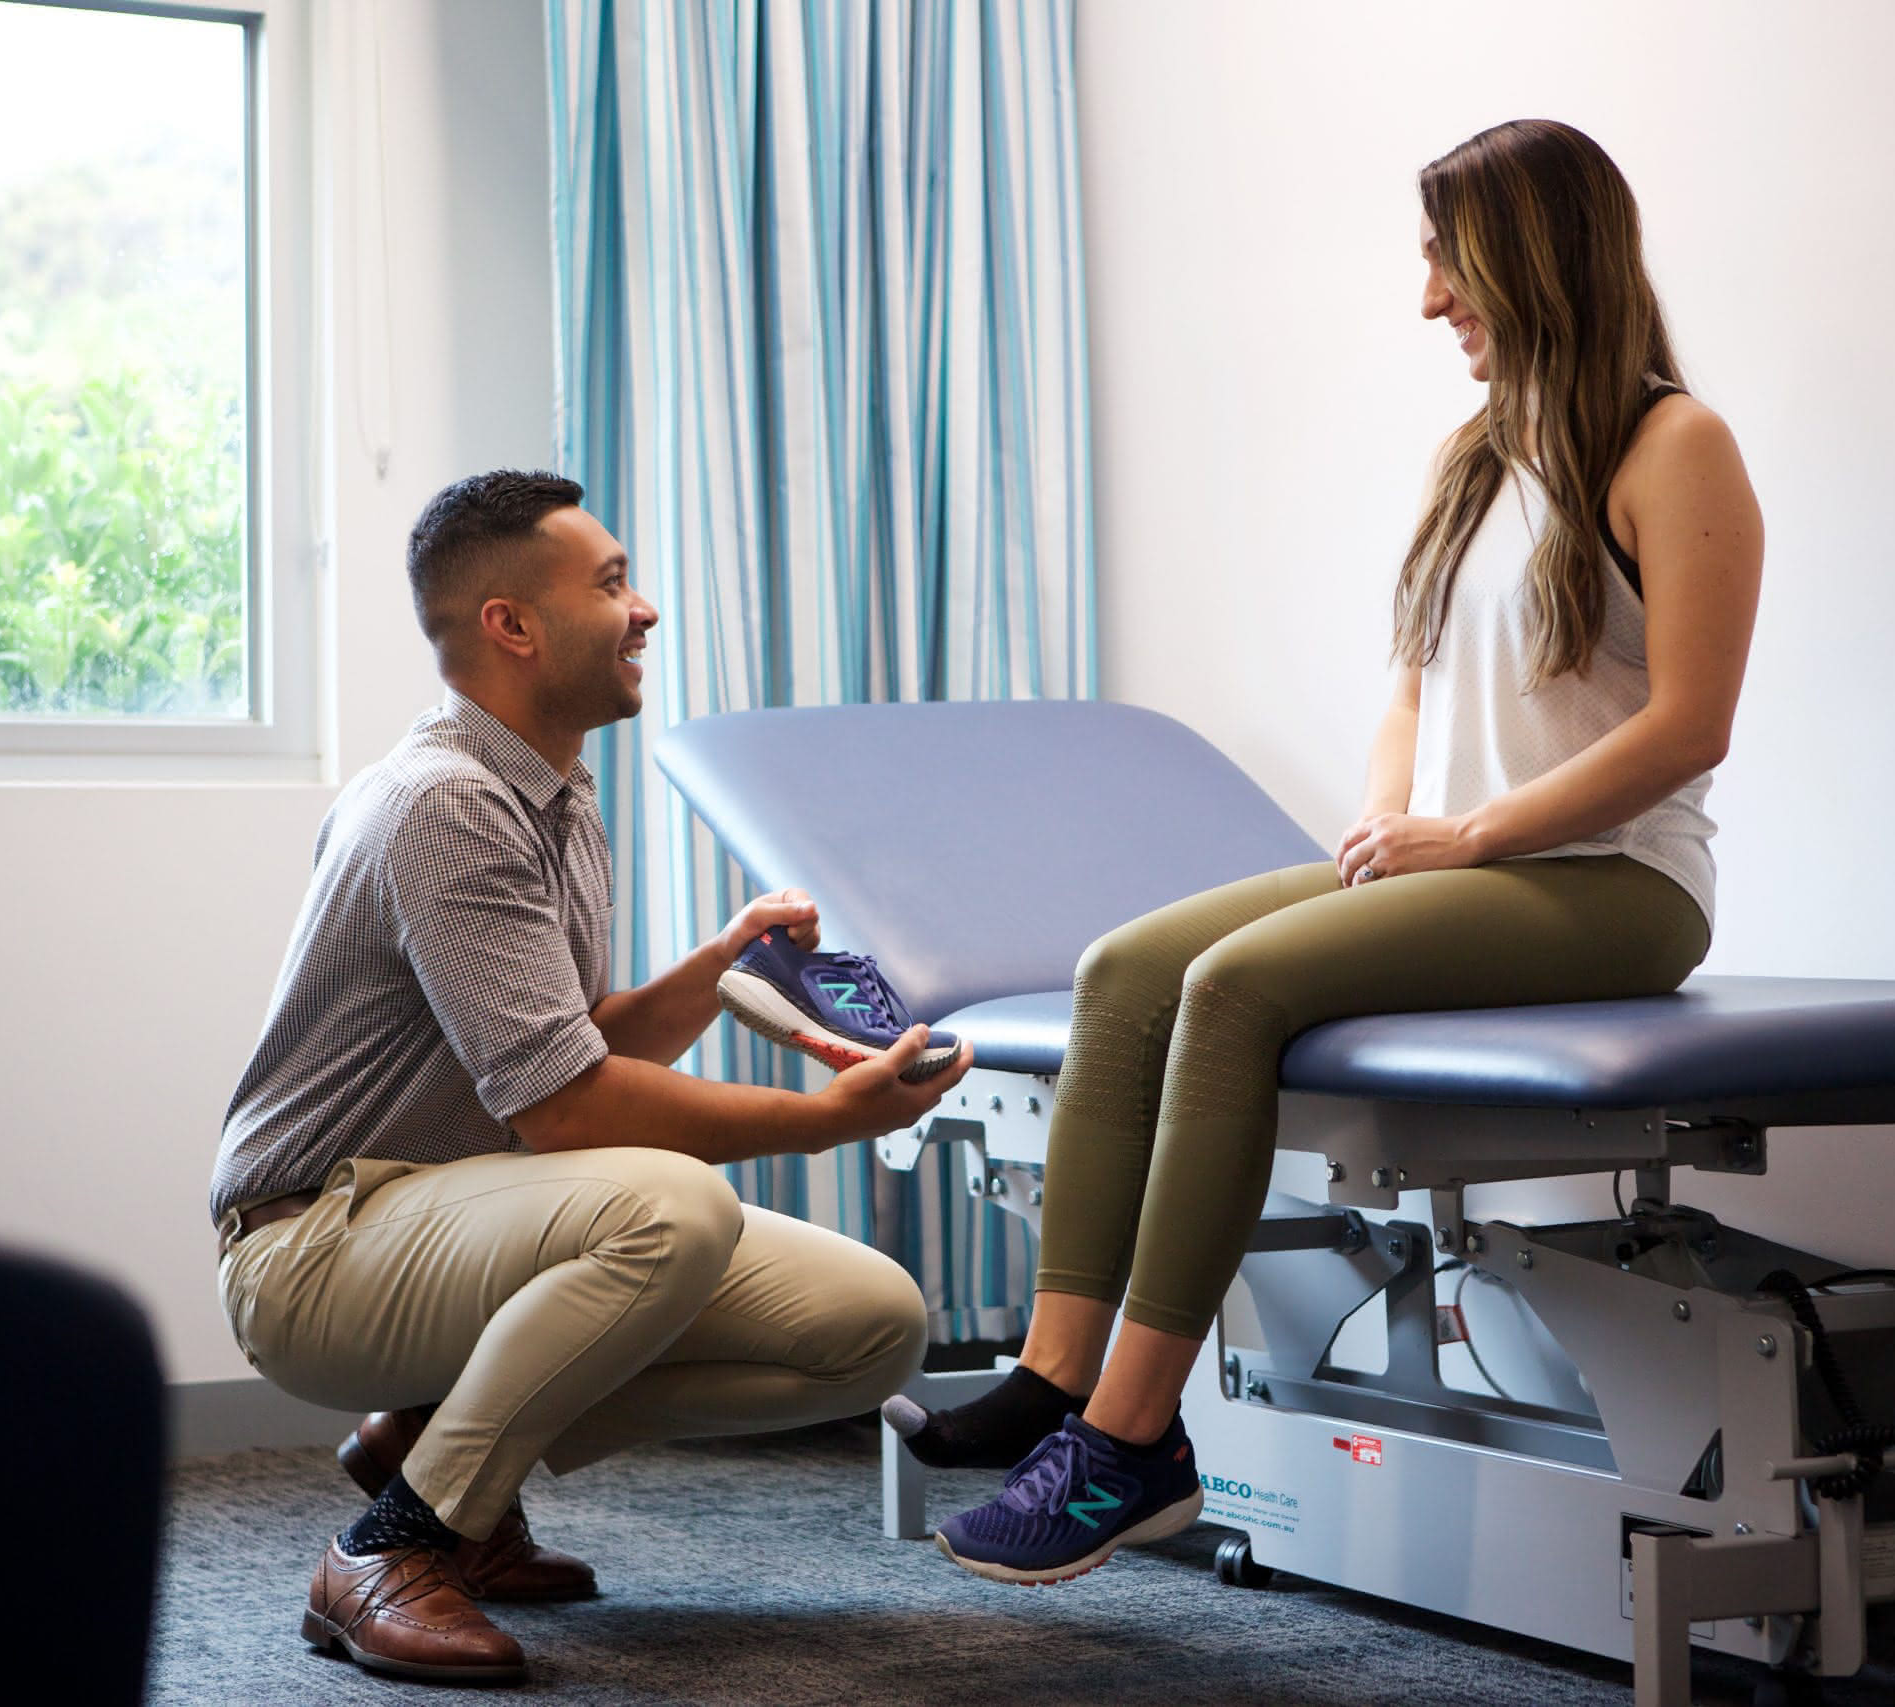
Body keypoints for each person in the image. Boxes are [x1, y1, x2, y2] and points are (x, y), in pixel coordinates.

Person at [888, 119, 1765, 1587]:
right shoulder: (1475, 456)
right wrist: (1389, 826)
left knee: (1231, 989)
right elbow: (1411, 691)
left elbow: (1690, 725)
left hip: (1615, 885)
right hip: (1472, 864)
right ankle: (1051, 1376)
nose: (1430, 299)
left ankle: (1130, 1440)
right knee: (1124, 971)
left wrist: (1469, 834)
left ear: (1538, 258)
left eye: (1450, 262)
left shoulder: (1675, 446)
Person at [210, 470, 971, 1682]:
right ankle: (391, 1547)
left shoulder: (554, 790)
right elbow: (565, 1108)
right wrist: (823, 1120)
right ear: (513, 624)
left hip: (456, 1215)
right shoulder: (445, 805)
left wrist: (720, 965)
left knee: (869, 1326)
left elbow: (572, 1048)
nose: (645, 610)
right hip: (315, 1248)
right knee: (671, 1205)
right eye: (613, 584)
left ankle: (438, 1451)